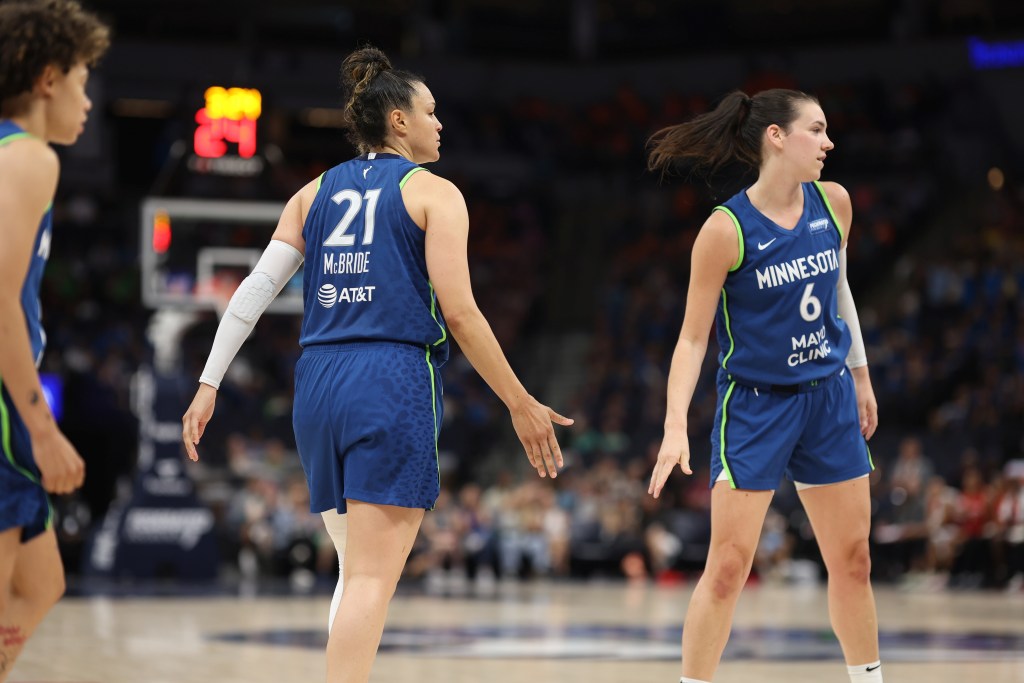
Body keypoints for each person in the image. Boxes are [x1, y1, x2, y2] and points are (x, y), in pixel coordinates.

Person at [181, 46, 572, 683]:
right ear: (397, 121)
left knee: (351, 567)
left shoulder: (311, 193)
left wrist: (208, 382)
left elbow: (253, 291)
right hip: (388, 380)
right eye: (431, 112)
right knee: (371, 578)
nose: (440, 124)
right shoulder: (436, 194)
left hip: (318, 384)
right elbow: (464, 315)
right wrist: (520, 402)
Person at [646, 89, 882, 683]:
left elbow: (840, 292)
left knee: (854, 561)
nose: (829, 142)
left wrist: (860, 373)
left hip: (827, 396)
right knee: (727, 568)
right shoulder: (725, 229)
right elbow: (692, 340)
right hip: (756, 404)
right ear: (776, 136)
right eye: (817, 129)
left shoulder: (836, 204)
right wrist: (675, 426)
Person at [0, 2, 109, 681]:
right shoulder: (30, 158)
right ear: (47, 78)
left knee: (40, 585)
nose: (89, 99)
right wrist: (40, 426)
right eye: (82, 78)